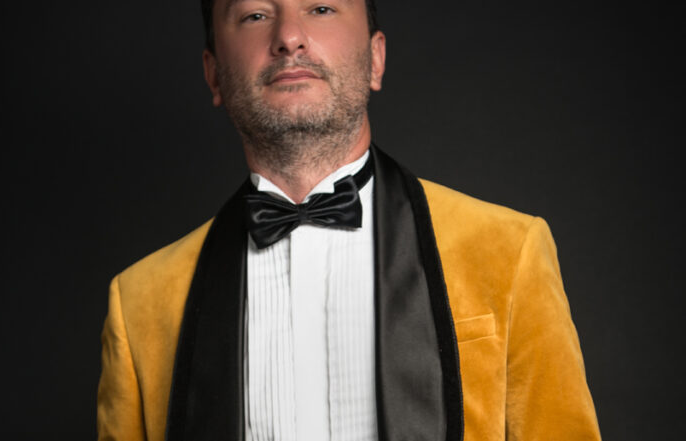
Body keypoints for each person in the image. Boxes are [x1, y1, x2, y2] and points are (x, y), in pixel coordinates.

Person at [97, 0, 602, 440]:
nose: (289, 37)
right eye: (254, 14)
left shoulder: (511, 251)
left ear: (375, 59)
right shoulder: (138, 304)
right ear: (213, 74)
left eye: (321, 8)